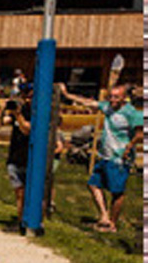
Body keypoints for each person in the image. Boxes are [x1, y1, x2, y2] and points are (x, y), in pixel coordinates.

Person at [57, 83, 143, 232]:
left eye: (116, 97)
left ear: (124, 98)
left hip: (119, 158)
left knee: (117, 192)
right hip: (105, 155)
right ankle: (104, 216)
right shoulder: (107, 107)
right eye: (111, 96)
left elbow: (140, 135)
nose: (112, 100)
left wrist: (129, 147)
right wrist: (67, 95)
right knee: (93, 184)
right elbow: (87, 102)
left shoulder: (132, 113)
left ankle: (112, 224)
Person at [2, 82, 33, 230]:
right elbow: (2, 122)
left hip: (30, 157)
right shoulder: (18, 110)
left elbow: (27, 130)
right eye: (25, 96)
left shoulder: (37, 112)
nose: (27, 99)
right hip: (15, 157)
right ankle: (21, 222)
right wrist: (3, 109)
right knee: (19, 193)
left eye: (31, 96)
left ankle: (31, 221)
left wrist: (18, 115)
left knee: (29, 193)